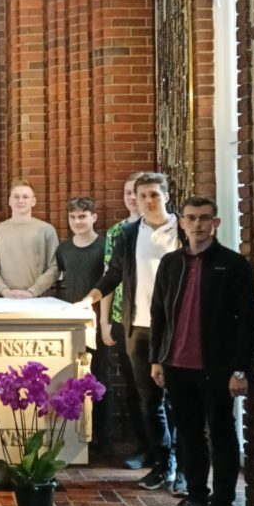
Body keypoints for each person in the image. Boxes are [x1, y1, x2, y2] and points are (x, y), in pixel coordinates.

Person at [150, 196, 254, 506]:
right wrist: (157, 358)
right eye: (191, 218)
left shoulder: (233, 264)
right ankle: (196, 497)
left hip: (217, 367)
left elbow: (247, 321)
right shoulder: (170, 263)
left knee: (221, 435)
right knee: (189, 434)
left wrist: (239, 369)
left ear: (216, 223)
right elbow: (158, 314)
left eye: (204, 218)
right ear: (181, 222)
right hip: (177, 364)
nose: (197, 224)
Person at [82, 172, 180, 491]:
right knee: (149, 400)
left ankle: (183, 467)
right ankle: (162, 464)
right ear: (136, 199)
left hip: (177, 328)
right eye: (143, 196)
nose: (148, 201)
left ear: (166, 196)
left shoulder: (182, 230)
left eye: (154, 194)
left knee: (180, 400)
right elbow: (114, 274)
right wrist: (88, 299)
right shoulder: (128, 233)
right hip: (138, 326)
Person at [56, 197, 112, 456]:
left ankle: (103, 439)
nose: (77, 222)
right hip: (71, 323)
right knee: (73, 377)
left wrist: (104, 321)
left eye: (82, 216)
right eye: (73, 217)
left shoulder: (104, 246)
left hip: (97, 322)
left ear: (93, 217)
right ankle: (77, 437)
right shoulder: (64, 249)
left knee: (100, 378)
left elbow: (110, 283)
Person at [100, 173, 149, 469]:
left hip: (156, 320)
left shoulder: (167, 229)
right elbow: (109, 277)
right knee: (132, 388)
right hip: (123, 318)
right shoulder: (117, 231)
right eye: (128, 192)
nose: (132, 198)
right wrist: (104, 321)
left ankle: (168, 454)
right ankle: (143, 447)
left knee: (162, 391)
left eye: (137, 193)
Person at [0, 180, 59, 298]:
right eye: (16, 197)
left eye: (25, 197)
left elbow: (55, 266)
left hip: (39, 298)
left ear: (33, 201)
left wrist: (33, 291)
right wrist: (4, 291)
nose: (20, 200)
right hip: (6, 299)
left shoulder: (47, 230)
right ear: (9, 201)